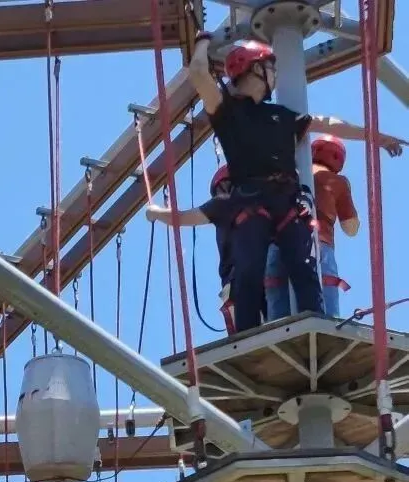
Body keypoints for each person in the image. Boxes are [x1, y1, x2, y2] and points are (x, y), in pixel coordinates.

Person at [186, 35, 405, 333]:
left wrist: (376, 137)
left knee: (302, 268)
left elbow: (328, 124)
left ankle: (314, 322)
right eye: (270, 68)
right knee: (253, 273)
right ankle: (250, 333)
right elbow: (199, 74)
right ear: (256, 69)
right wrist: (202, 42)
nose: (275, 76)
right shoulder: (228, 112)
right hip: (254, 201)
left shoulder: (280, 116)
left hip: (284, 200)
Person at [146, 163, 267, 334]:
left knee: (249, 339)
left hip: (238, 284)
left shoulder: (224, 203)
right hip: (267, 279)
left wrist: (156, 212)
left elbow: (180, 218)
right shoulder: (263, 204)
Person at [264, 135, 358, 319]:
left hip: (277, 246)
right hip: (319, 244)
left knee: (277, 300)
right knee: (325, 297)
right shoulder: (337, 182)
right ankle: (327, 322)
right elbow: (351, 228)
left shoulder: (286, 175)